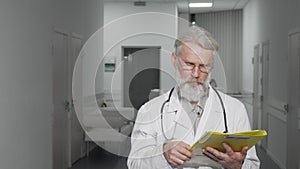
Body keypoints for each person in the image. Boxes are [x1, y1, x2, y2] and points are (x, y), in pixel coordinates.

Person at [127, 26, 260, 169]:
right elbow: (134, 163)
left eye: (204, 66)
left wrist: (237, 166)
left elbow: (252, 164)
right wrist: (162, 155)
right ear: (174, 59)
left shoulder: (234, 109)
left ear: (212, 66)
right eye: (189, 64)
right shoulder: (150, 110)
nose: (196, 73)